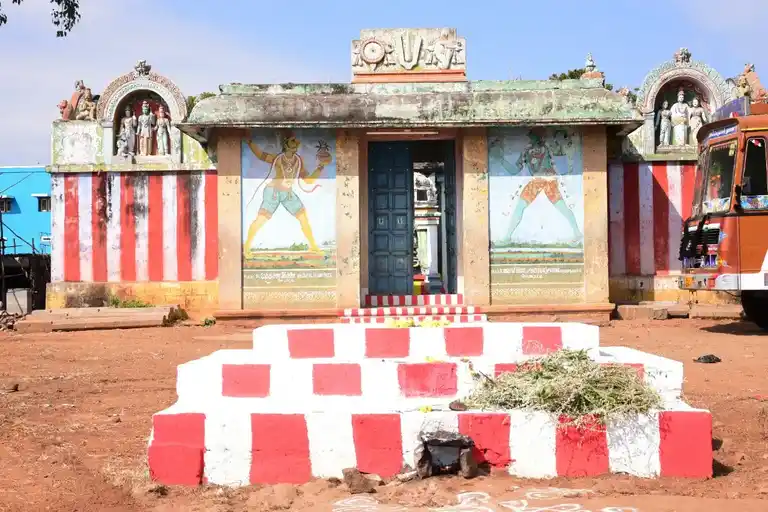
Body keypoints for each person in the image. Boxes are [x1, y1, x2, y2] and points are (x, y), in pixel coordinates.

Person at [243, 132, 329, 257]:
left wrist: (320, 167)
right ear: (286, 143)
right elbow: (260, 155)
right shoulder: (278, 159)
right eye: (293, 141)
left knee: (303, 218)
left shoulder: (299, 161)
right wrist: (250, 142)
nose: (296, 143)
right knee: (261, 219)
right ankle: (246, 248)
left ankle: (313, 247)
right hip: (273, 192)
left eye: (296, 142)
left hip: (288, 194)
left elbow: (308, 180)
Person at [490, 130, 581, 243]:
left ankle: (577, 233)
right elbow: (515, 170)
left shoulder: (546, 148)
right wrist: (501, 160)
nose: (535, 138)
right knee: (522, 207)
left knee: (560, 207)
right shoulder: (529, 151)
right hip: (541, 180)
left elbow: (563, 152)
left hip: (547, 180)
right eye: (533, 136)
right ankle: (507, 237)